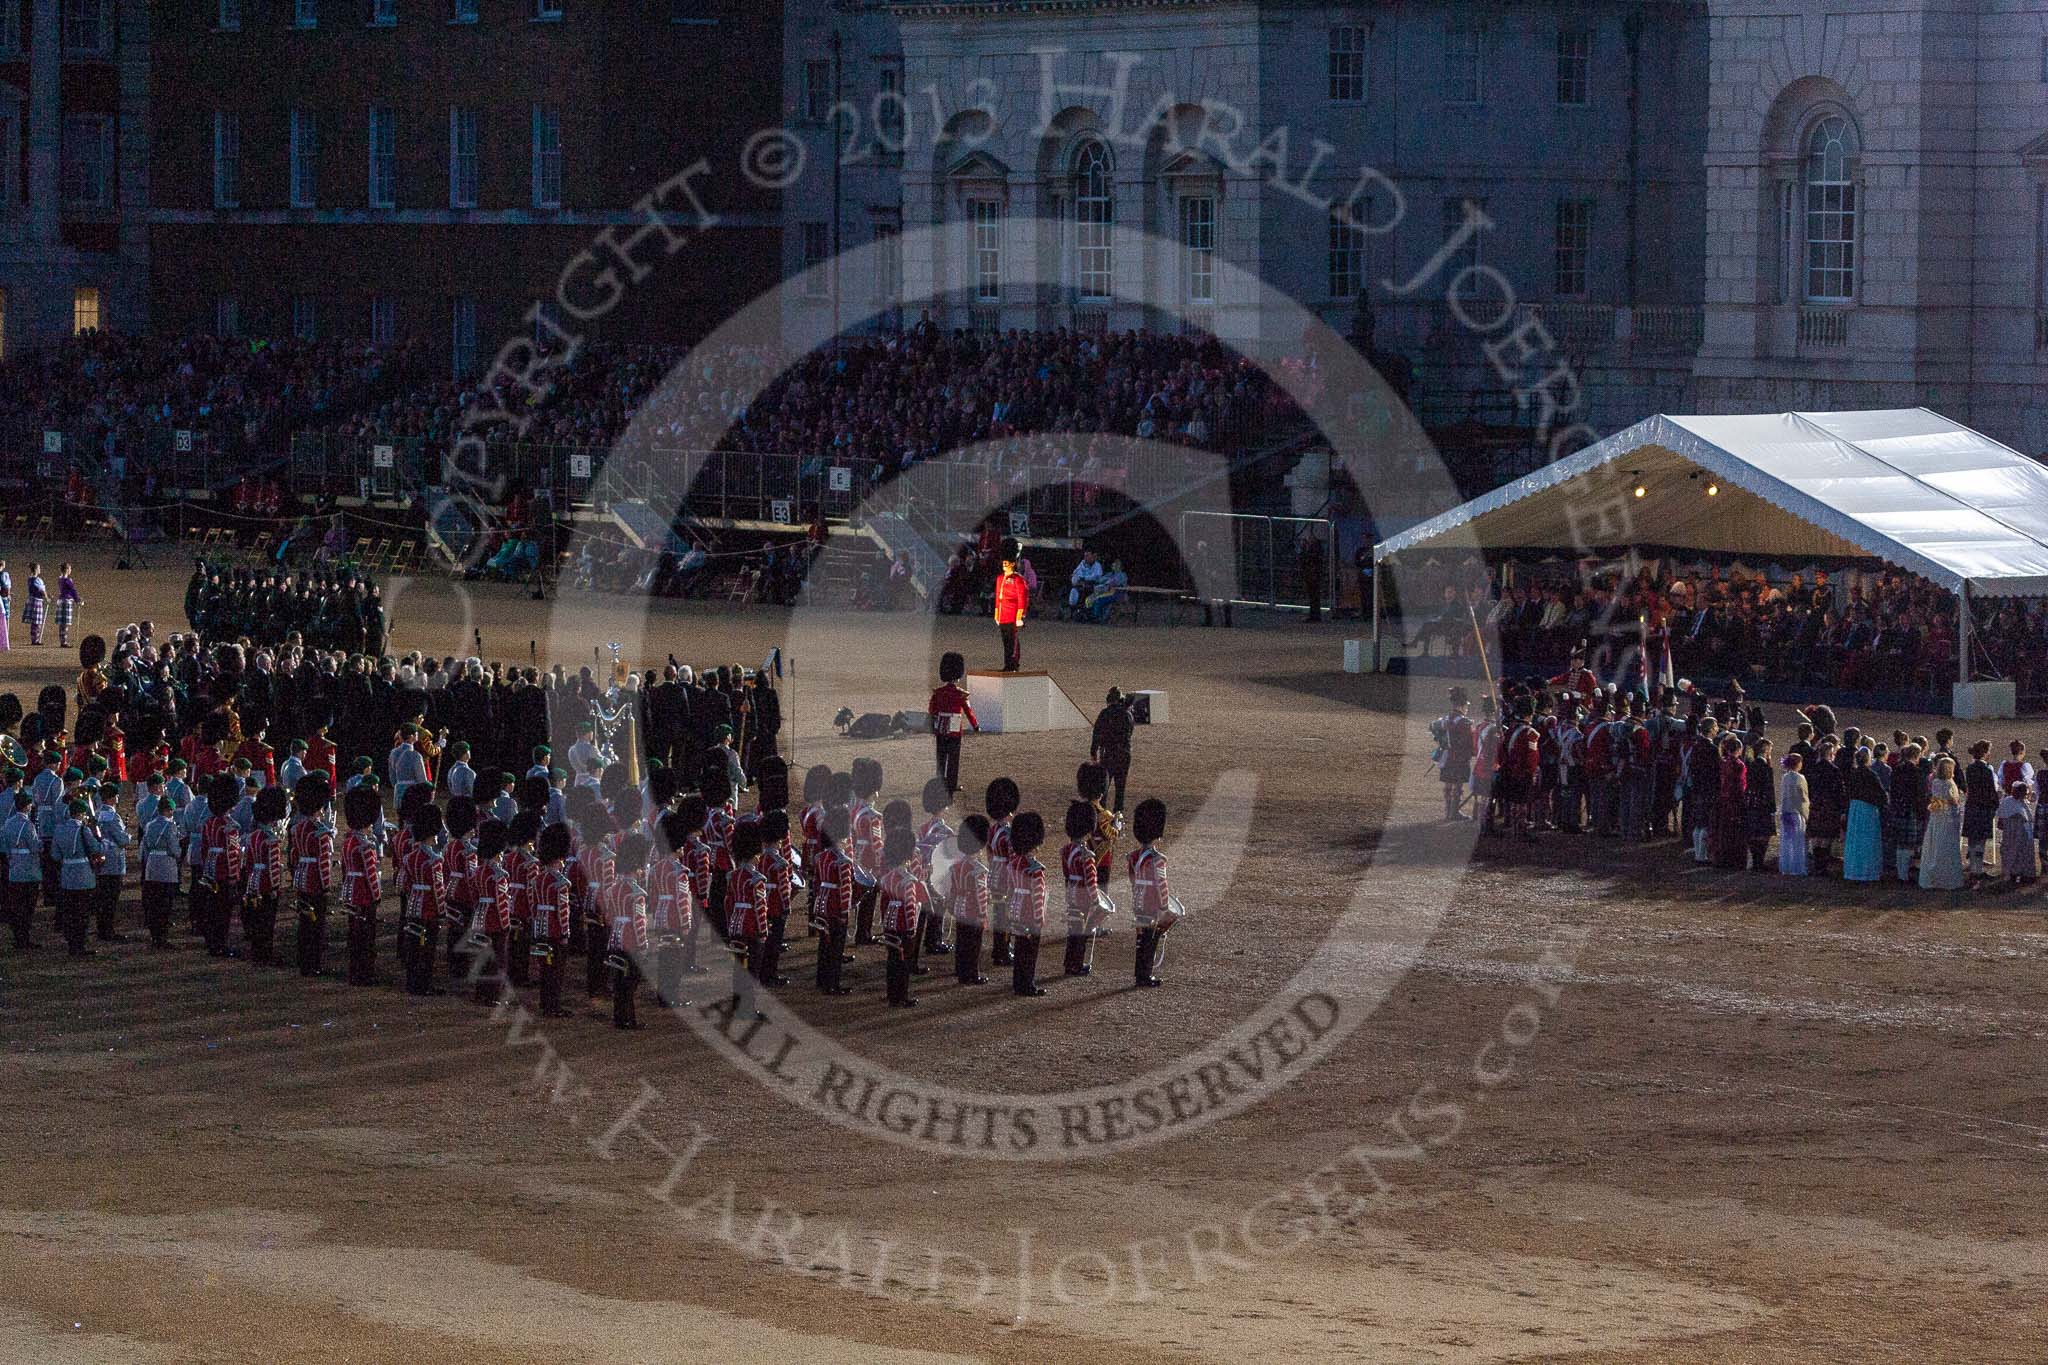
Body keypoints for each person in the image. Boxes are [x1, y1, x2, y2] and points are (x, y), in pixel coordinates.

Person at [340, 784, 383, 984]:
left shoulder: (348, 841)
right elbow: (371, 874)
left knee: (354, 935)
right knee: (366, 938)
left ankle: (355, 972)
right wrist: (376, 896)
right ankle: (364, 974)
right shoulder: (365, 845)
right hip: (363, 894)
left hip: (350, 890)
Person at [1129, 798, 1173, 988]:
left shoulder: (1134, 856)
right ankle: (1144, 976)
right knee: (1149, 941)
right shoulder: (1157, 859)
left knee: (1141, 940)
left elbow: (1132, 877)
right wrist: (1164, 907)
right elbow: (1161, 884)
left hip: (1138, 900)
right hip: (1151, 902)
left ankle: (1140, 973)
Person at [878, 824, 924, 1007]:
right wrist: (912, 930)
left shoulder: (887, 878)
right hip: (903, 925)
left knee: (892, 961)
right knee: (903, 963)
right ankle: (901, 996)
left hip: (889, 923)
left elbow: (883, 904)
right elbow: (910, 908)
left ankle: (891, 995)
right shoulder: (908, 880)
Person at [51, 797, 103, 957]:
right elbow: (96, 849)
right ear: (81, 814)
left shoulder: (59, 829)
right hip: (83, 875)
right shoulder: (83, 830)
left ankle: (71, 943)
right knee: (82, 913)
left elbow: (55, 855)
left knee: (70, 911)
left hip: (67, 874)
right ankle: (79, 944)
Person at [528, 821, 571, 1015]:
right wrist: (564, 932)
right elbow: (563, 911)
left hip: (540, 926)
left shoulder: (538, 878)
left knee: (545, 968)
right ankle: (553, 1006)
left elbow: (533, 904)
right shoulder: (560, 882)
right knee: (556, 971)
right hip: (554, 929)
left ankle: (545, 1003)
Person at [811, 806, 854, 996]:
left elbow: (818, 883)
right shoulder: (843, 861)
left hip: (821, 903)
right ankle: (832, 983)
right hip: (836, 907)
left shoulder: (821, 857)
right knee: (836, 948)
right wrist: (845, 912)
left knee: (824, 943)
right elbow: (845, 890)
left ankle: (821, 980)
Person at [244, 786, 289, 965]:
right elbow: (272, 867)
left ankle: (257, 952)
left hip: (254, 880)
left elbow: (248, 862)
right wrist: (274, 886)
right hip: (266, 883)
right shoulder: (270, 839)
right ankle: (265, 954)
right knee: (267, 921)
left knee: (257, 919)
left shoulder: (253, 836)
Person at [1006, 811, 1048, 997]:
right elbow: (1037, 896)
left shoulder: (1014, 862)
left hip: (1015, 907)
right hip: (1029, 912)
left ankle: (1018, 983)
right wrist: (1038, 919)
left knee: (1020, 949)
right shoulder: (1035, 869)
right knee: (1029, 953)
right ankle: (1027, 985)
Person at [1060, 799, 1102, 977]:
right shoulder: (1086, 855)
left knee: (1073, 932)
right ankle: (1076, 965)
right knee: (1081, 934)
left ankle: (1069, 963)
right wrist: (1096, 901)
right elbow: (1091, 881)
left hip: (1070, 892)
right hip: (1083, 897)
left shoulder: (1066, 850)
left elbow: (1066, 873)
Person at [927, 652, 979, 797]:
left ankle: (939, 782)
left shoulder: (938, 693)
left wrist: (932, 724)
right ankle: (951, 784)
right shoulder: (961, 694)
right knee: (953, 759)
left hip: (941, 728)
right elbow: (968, 711)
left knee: (941, 756)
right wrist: (975, 726)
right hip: (955, 729)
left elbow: (932, 710)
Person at [948, 813, 991, 985]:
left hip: (959, 907)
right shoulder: (979, 870)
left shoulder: (957, 866)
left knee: (962, 941)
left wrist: (951, 905)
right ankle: (971, 974)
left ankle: (960, 970)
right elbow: (980, 896)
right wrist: (982, 914)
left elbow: (952, 890)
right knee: (973, 945)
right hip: (973, 911)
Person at [140, 794, 181, 949]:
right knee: (165, 904)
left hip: (152, 865)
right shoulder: (170, 826)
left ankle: (154, 935)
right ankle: (162, 937)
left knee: (153, 903)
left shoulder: (150, 825)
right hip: (166, 866)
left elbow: (146, 846)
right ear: (169, 811)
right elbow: (174, 850)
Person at [1919, 756, 1966, 891]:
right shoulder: (1949, 784)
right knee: (1948, 845)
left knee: (1934, 845)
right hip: (1948, 817)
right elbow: (1953, 800)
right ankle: (1947, 878)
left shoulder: (1935, 782)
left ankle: (1932, 876)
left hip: (1937, 816)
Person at [91, 783, 129, 943]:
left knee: (102, 897)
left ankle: (102, 928)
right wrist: (128, 836)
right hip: (113, 859)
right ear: (112, 798)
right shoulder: (113, 816)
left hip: (100, 857)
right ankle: (107, 930)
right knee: (111, 899)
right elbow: (122, 839)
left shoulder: (97, 813)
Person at [2, 791, 40, 949]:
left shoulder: (8, 823)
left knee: (16, 906)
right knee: (27, 907)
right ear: (27, 806)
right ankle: (24, 938)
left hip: (14, 868)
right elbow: (35, 847)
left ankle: (18, 936)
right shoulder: (28, 825)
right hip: (29, 870)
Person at [1843, 749, 1886, 882]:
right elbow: (1881, 794)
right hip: (1868, 809)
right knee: (1868, 840)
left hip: (1855, 809)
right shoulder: (1871, 774)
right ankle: (1868, 871)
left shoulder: (1853, 774)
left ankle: (1853, 870)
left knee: (1855, 839)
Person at [1090, 689, 1135, 812]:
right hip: (1124, 754)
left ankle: (1102, 814)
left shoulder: (1104, 713)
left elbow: (1096, 734)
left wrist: (1093, 753)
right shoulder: (1128, 714)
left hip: (1109, 754)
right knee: (1120, 788)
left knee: (1104, 787)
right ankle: (1118, 816)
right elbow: (1130, 732)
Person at [1962, 740, 2000, 883]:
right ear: (1985, 753)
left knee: (1972, 839)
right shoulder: (1986, 770)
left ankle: (1974, 868)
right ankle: (1977, 871)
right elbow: (1990, 791)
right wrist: (1995, 805)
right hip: (1983, 808)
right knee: (1980, 841)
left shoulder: (1970, 768)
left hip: (1972, 806)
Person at [1437, 688, 1475, 822]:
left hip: (1446, 757)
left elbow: (1438, 736)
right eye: (1466, 706)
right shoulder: (1465, 723)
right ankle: (1454, 813)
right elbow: (1469, 744)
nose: (1467, 708)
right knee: (1457, 786)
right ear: (1462, 705)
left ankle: (1448, 811)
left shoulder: (1445, 719)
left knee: (1448, 784)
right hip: (1460, 758)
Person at [993, 538, 1029, 672]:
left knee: (1012, 641)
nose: (1004, 564)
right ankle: (1007, 663)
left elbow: (1022, 599)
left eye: (1007, 563)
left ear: (1013, 563)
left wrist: (1020, 616)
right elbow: (998, 597)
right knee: (1005, 641)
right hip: (1003, 614)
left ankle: (1013, 663)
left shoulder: (1018, 580)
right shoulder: (1000, 578)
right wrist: (997, 614)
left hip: (1012, 614)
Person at [1998, 782, 2038, 886]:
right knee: (2011, 853)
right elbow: (2000, 822)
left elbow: (2029, 819)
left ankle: (2026, 875)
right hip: (2012, 835)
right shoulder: (2007, 802)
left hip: (2024, 836)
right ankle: (2012, 874)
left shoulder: (2022, 803)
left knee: (2025, 854)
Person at [1777, 754, 1809, 877]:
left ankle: (1786, 866)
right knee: (1797, 841)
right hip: (1797, 812)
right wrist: (1806, 814)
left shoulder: (1785, 777)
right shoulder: (1800, 778)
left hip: (1786, 811)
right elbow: (1803, 798)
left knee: (1786, 840)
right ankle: (1797, 867)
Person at [54, 563, 81, 648]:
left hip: (61, 600)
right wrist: (78, 600)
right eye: (70, 569)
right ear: (67, 570)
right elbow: (73, 591)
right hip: (66, 601)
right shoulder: (67, 581)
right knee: (65, 623)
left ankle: (62, 640)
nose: (70, 570)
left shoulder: (60, 579)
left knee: (62, 623)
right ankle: (64, 642)